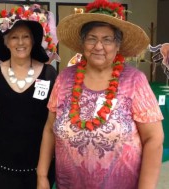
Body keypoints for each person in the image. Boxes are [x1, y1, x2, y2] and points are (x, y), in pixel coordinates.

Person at [37, 0, 164, 189]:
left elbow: (154, 139)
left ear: (118, 45)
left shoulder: (134, 81)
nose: (98, 46)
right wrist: (42, 176)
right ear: (82, 43)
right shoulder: (65, 78)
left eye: (107, 39)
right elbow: (49, 128)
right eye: (91, 38)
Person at [0, 5, 58, 189]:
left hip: (40, 162)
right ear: (6, 42)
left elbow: (55, 120)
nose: (20, 42)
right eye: (14, 37)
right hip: (4, 162)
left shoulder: (48, 73)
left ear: (33, 41)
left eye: (25, 36)